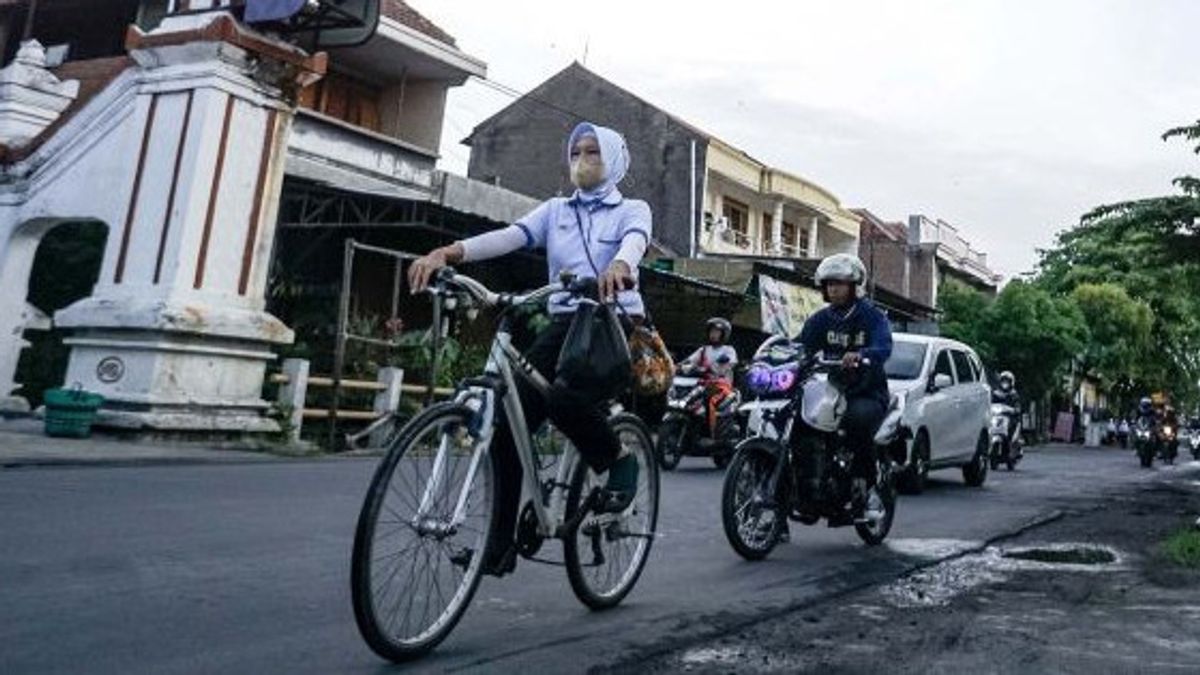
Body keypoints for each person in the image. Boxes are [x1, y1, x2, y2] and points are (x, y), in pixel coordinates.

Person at [407, 121, 650, 576]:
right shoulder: (555, 210)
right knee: (504, 426)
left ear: (613, 160)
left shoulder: (631, 209)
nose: (582, 159)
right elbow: (510, 236)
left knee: (563, 397)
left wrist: (620, 263)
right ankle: (497, 549)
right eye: (576, 152)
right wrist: (447, 253)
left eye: (593, 152)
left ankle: (617, 460)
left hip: (610, 321)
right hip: (563, 320)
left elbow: (635, 241)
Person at [794, 253, 893, 508]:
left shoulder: (872, 317)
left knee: (856, 421)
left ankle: (863, 482)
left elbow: (883, 347)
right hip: (827, 391)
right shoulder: (820, 320)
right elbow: (799, 346)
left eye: (839, 283)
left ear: (854, 287)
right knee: (796, 421)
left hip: (864, 392)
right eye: (829, 284)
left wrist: (862, 355)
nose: (834, 288)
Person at [677, 317, 738, 437]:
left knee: (710, 401)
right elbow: (689, 361)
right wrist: (677, 366)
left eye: (717, 332)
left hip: (722, 386)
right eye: (711, 332)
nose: (713, 335)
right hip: (703, 385)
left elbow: (730, 363)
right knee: (686, 400)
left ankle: (712, 435)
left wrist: (713, 367)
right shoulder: (704, 350)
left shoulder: (728, 350)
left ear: (724, 334)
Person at [991, 371, 1021, 438]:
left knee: (1013, 430)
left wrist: (1012, 410)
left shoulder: (1014, 395)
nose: (1005, 384)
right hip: (997, 419)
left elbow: (1017, 408)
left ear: (1011, 383)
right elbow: (990, 403)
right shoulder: (995, 394)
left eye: (1007, 382)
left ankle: (1013, 442)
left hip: (1011, 420)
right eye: (1003, 381)